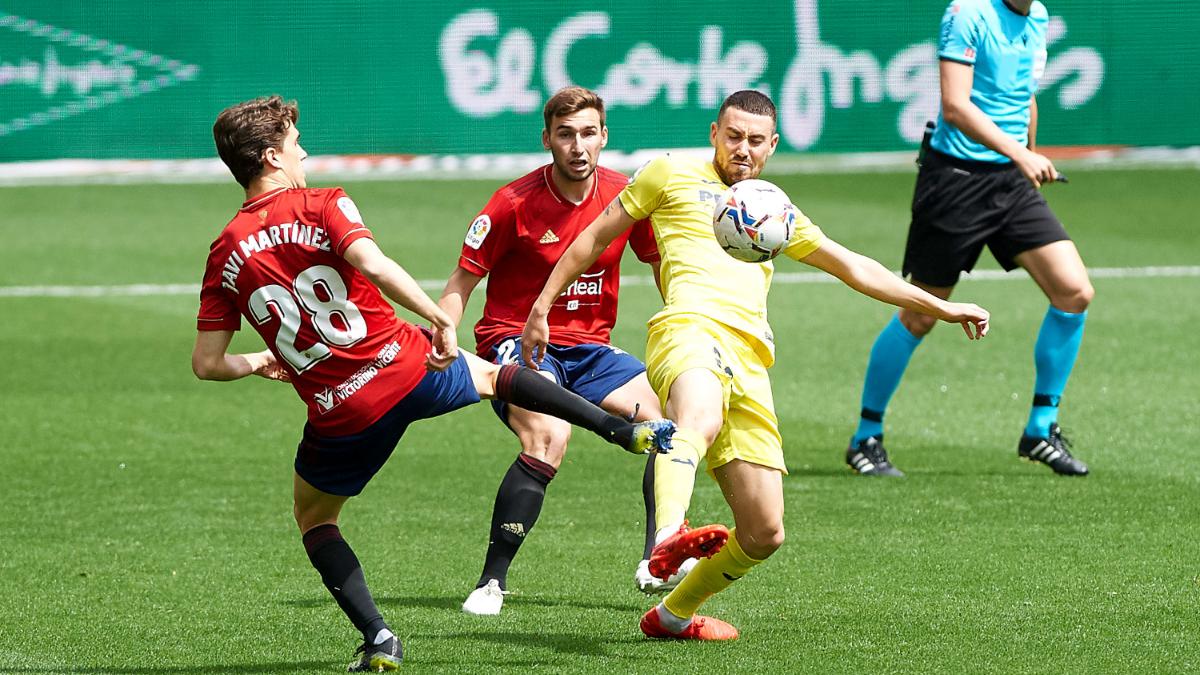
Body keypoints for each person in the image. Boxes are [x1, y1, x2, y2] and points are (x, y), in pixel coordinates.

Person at [191, 95, 675, 671]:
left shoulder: (223, 253)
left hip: (340, 411)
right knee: (499, 377)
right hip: (406, 364)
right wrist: (440, 317)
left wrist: (256, 362)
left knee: (315, 519)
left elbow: (207, 363)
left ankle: (378, 637)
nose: (304, 151)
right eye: (295, 142)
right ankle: (616, 431)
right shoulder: (323, 204)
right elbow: (374, 265)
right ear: (271, 155)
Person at [520, 90, 991, 640]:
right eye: (734, 135)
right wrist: (541, 307)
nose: (742, 149)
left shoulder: (772, 207)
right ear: (715, 131)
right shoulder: (667, 174)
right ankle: (667, 536)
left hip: (750, 359)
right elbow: (593, 236)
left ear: (772, 146)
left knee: (764, 531)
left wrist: (942, 305)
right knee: (695, 421)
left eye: (755, 141)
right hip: (687, 330)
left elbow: (854, 267)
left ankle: (671, 615)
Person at [438, 86, 685, 616]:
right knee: (550, 434)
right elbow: (461, 282)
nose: (578, 146)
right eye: (566, 134)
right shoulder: (512, 204)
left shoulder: (626, 197)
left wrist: (688, 320)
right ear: (547, 138)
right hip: (514, 343)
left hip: (591, 350)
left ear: (604, 137)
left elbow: (663, 265)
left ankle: (657, 559)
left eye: (589, 133)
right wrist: (445, 334)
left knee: (672, 426)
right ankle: (490, 582)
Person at [844, 0, 1093, 478]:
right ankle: (865, 438)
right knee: (919, 316)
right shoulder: (967, 13)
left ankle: (1041, 429)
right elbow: (956, 107)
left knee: (1074, 291)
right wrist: (1021, 153)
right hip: (955, 183)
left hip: (1011, 183)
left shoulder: (1036, 16)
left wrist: (1029, 157)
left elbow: (1025, 95)